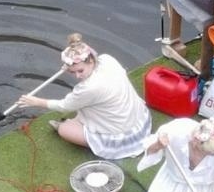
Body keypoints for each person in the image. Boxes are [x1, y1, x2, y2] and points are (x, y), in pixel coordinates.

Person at [16, 33, 152, 159]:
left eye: (80, 71)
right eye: (72, 72)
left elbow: (64, 106)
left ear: (91, 61)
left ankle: (76, 130)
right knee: (82, 110)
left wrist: (36, 102)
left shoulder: (88, 88)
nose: (77, 76)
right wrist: (71, 67)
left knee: (64, 129)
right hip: (137, 118)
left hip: (122, 133)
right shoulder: (107, 59)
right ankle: (80, 124)